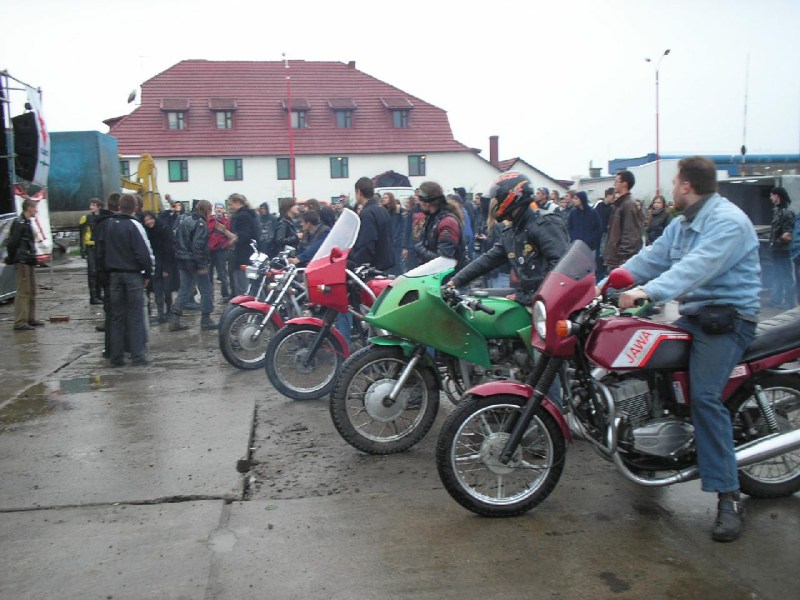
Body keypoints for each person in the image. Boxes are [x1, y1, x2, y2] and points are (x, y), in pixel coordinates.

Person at [613, 156, 761, 543]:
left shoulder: (726, 222)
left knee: (705, 397)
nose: (670, 188)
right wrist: (602, 285)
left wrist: (646, 291)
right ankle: (652, 450)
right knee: (644, 360)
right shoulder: (682, 225)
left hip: (729, 322)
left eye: (675, 181)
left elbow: (695, 268)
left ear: (685, 186)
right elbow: (649, 258)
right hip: (696, 317)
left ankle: (729, 496)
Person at [449, 172, 569, 306]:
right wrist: (455, 281)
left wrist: (529, 298)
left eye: (497, 198)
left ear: (512, 196)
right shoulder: (512, 230)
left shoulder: (544, 224)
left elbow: (562, 268)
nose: (493, 203)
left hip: (549, 307)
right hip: (532, 302)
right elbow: (489, 259)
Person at [103, 194, 154, 366]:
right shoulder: (134, 226)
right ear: (135, 208)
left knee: (117, 317)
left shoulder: (109, 224)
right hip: (132, 275)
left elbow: (102, 250)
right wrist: (147, 274)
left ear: (119, 207)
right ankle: (137, 355)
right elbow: (144, 253)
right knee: (135, 315)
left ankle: (116, 357)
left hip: (114, 275)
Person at [170, 199, 218, 331]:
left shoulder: (184, 219)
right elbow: (198, 246)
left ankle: (174, 318)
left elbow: (175, 239)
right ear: (207, 209)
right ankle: (206, 319)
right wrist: (201, 265)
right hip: (195, 262)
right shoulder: (200, 223)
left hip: (183, 259)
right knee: (206, 289)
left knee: (184, 290)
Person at [6, 198, 43, 331]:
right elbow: (12, 242)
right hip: (22, 260)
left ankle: (30, 318)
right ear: (29, 208)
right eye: (35, 208)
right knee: (23, 291)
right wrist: (12, 258)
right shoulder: (20, 223)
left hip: (28, 259)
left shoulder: (26, 222)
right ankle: (20, 321)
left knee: (32, 290)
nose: (36, 210)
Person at [414, 183, 466, 272]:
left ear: (427, 203)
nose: (419, 203)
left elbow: (443, 260)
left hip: (449, 281)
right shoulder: (432, 218)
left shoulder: (447, 222)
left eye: (420, 200)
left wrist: (420, 248)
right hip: (433, 277)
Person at [218, 193, 260, 296]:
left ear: (237, 202)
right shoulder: (249, 214)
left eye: (230, 204)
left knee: (243, 287)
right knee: (249, 285)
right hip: (250, 254)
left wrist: (225, 232)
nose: (230, 207)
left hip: (243, 256)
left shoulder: (242, 216)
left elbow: (242, 236)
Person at [349, 177, 394, 271]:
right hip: (385, 262)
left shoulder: (367, 213)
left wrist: (355, 264)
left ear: (358, 192)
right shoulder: (381, 209)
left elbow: (367, 242)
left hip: (374, 267)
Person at [603, 170, 643, 270]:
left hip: (621, 261)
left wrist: (623, 259)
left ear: (624, 184)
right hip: (614, 259)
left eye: (616, 181)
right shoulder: (619, 204)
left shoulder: (628, 204)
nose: (614, 184)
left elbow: (630, 235)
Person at [142, 211, 174, 324]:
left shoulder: (163, 228)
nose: (148, 222)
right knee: (157, 289)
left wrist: (166, 268)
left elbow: (169, 249)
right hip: (155, 263)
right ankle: (160, 313)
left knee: (167, 289)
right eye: (146, 221)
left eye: (150, 219)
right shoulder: (147, 231)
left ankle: (169, 310)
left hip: (165, 262)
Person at [767, 186, 795, 308]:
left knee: (786, 277)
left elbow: (787, 235)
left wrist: (775, 243)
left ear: (777, 196)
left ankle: (789, 302)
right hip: (777, 251)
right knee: (777, 276)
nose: (770, 197)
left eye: (772, 195)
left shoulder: (786, 213)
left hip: (783, 251)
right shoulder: (778, 212)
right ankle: (776, 300)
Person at [78, 198, 103, 304]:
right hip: (90, 247)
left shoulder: (101, 218)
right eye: (91, 205)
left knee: (99, 271)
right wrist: (82, 249)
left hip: (99, 247)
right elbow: (82, 234)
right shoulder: (85, 218)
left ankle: (98, 295)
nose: (91, 207)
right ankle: (93, 297)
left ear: (99, 207)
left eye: (94, 205)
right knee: (92, 272)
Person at [208, 202, 231, 302]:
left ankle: (225, 294)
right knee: (209, 274)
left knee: (222, 273)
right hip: (210, 250)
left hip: (220, 250)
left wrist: (224, 246)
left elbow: (230, 235)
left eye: (221, 208)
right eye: (217, 208)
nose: (219, 210)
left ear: (224, 210)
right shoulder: (210, 220)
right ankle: (209, 295)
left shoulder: (226, 222)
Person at [380, 192, 405, 276]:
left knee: (397, 261)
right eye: (383, 197)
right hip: (387, 240)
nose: (384, 199)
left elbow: (401, 225)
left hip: (396, 240)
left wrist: (399, 238)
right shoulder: (382, 210)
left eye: (386, 197)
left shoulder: (397, 211)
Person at [594, 186, 615, 280]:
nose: (614, 199)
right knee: (599, 261)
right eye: (613, 196)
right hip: (600, 236)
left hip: (608, 236)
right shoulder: (599, 205)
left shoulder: (612, 208)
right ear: (608, 195)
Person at [401, 192, 424, 271]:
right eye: (415, 195)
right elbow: (407, 229)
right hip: (412, 245)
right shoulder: (412, 211)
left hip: (424, 245)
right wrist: (405, 247)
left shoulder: (427, 211)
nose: (415, 197)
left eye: (417, 195)